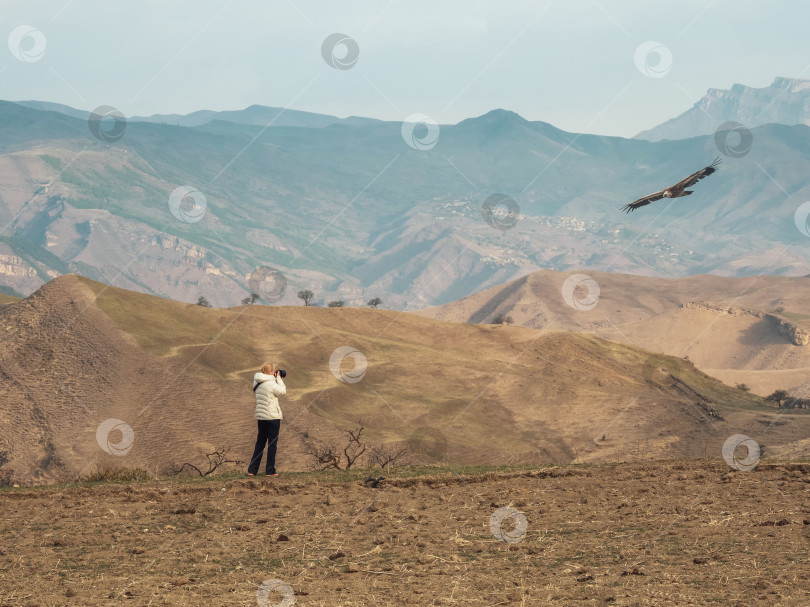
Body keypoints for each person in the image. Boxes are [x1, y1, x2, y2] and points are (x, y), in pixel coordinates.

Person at [247, 362, 286, 476]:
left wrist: (274, 378)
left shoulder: (256, 381)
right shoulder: (271, 383)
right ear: (270, 372)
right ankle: (270, 470)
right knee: (272, 444)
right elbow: (282, 392)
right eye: (273, 371)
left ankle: (252, 470)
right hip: (272, 416)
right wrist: (278, 378)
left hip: (261, 416)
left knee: (260, 442)